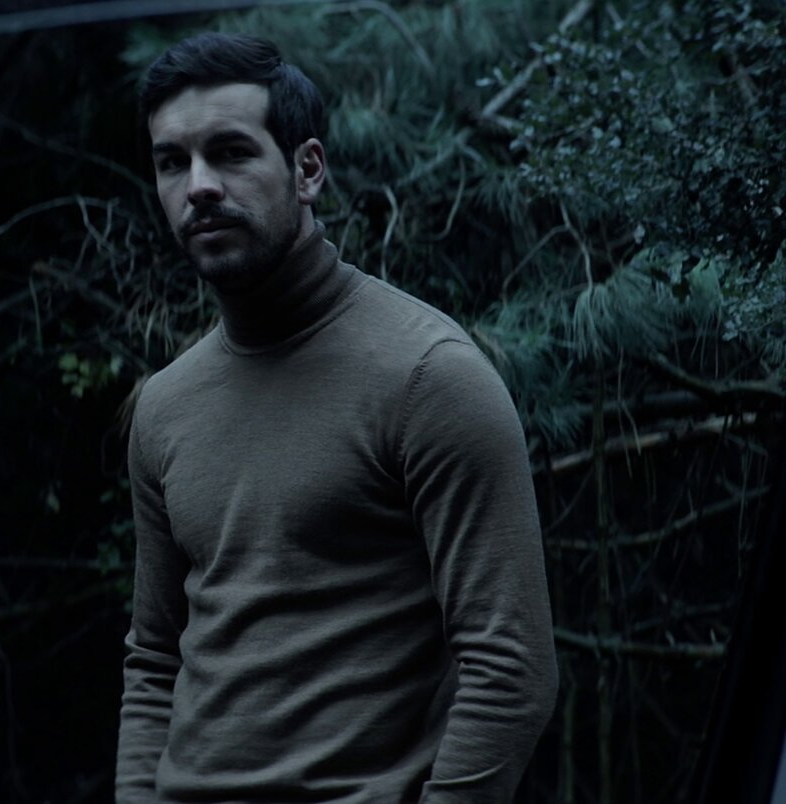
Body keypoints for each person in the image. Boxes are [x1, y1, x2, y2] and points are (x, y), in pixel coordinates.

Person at [115, 33, 557, 802]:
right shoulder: (163, 407)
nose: (200, 186)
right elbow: (154, 660)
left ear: (308, 169)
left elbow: (510, 668)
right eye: (172, 162)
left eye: (231, 152)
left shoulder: (429, 377)